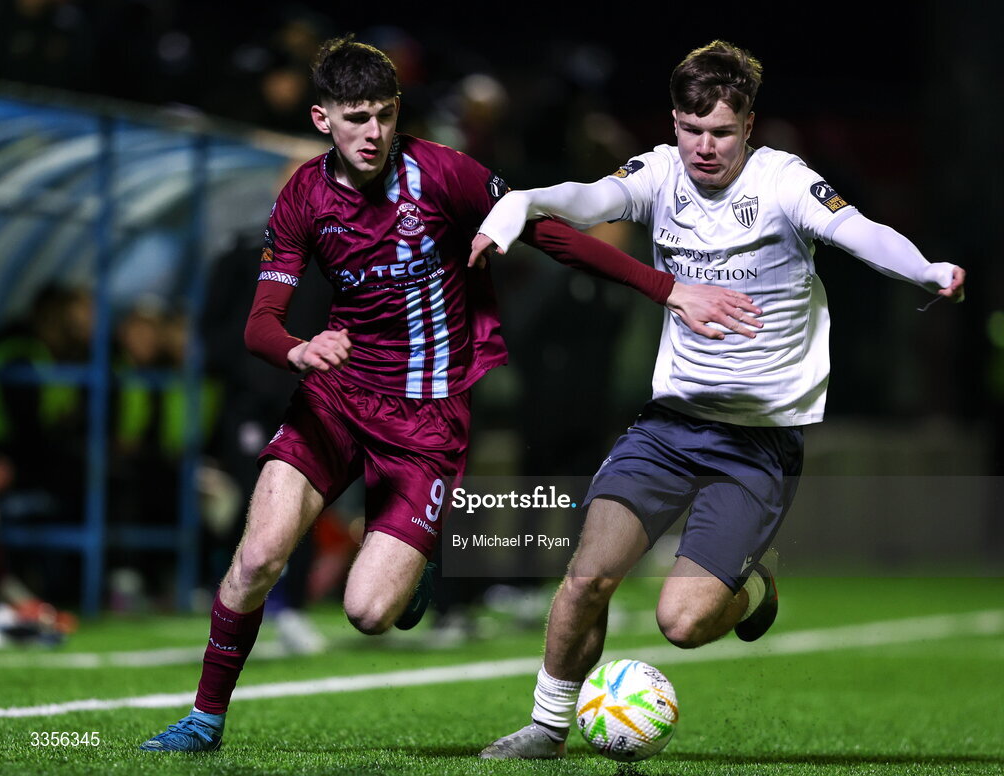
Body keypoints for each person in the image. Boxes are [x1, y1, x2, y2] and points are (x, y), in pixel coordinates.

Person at [138, 35, 756, 753]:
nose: (372, 134)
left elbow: (545, 232)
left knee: (368, 615)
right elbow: (258, 325)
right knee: (256, 558)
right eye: (355, 118)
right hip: (334, 399)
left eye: (383, 116)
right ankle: (205, 720)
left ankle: (419, 559)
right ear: (321, 120)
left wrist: (668, 287)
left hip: (426, 422)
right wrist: (298, 349)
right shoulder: (303, 195)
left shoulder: (443, 176)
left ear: (398, 112)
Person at [472, 39, 966, 759]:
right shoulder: (659, 172)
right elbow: (590, 199)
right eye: (691, 128)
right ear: (674, 121)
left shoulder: (784, 182)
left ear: (749, 126)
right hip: (668, 426)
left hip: (758, 444)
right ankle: (547, 729)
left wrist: (925, 270)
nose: (704, 146)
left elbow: (858, 230)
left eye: (721, 132)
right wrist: (525, 200)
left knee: (683, 623)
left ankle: (749, 591)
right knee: (587, 575)